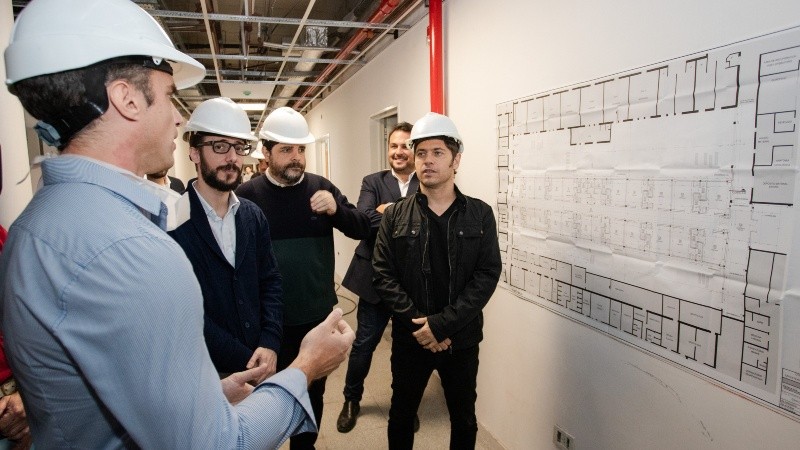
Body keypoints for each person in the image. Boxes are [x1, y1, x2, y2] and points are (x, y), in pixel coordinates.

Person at [0, 0, 354, 448]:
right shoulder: (133, 247)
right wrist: (306, 366)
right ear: (127, 98)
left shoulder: (39, 222)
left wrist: (211, 394)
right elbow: (213, 443)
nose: (177, 116)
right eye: (168, 95)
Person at [236, 106, 370, 449]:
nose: (296, 158)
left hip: (316, 319)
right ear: (266, 153)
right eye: (286, 150)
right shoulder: (247, 197)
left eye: (300, 150)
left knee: (311, 396)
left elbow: (361, 228)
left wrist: (337, 210)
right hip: (270, 325)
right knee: (265, 396)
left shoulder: (321, 188)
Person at [372, 112, 502, 450]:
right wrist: (423, 329)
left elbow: (487, 274)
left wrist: (442, 326)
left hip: (460, 340)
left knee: (464, 419)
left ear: (456, 159)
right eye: (421, 153)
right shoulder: (396, 215)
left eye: (438, 153)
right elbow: (383, 275)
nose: (427, 161)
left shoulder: (479, 214)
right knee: (401, 416)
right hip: (410, 339)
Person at [168, 97, 282, 383]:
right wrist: (243, 357)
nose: (232, 157)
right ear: (194, 152)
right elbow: (182, 310)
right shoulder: (172, 223)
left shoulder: (252, 216)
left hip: (260, 361)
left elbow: (270, 281)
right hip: (206, 372)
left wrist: (269, 342)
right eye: (219, 146)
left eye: (239, 147)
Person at [336, 122, 420, 433]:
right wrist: (403, 214)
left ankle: (404, 405)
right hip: (374, 280)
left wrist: (389, 210)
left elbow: (428, 222)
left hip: (410, 286)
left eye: (406, 146)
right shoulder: (373, 180)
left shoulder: (425, 180)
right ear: (388, 150)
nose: (399, 152)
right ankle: (351, 399)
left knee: (406, 349)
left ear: (414, 149)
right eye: (394, 146)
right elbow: (363, 220)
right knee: (364, 345)